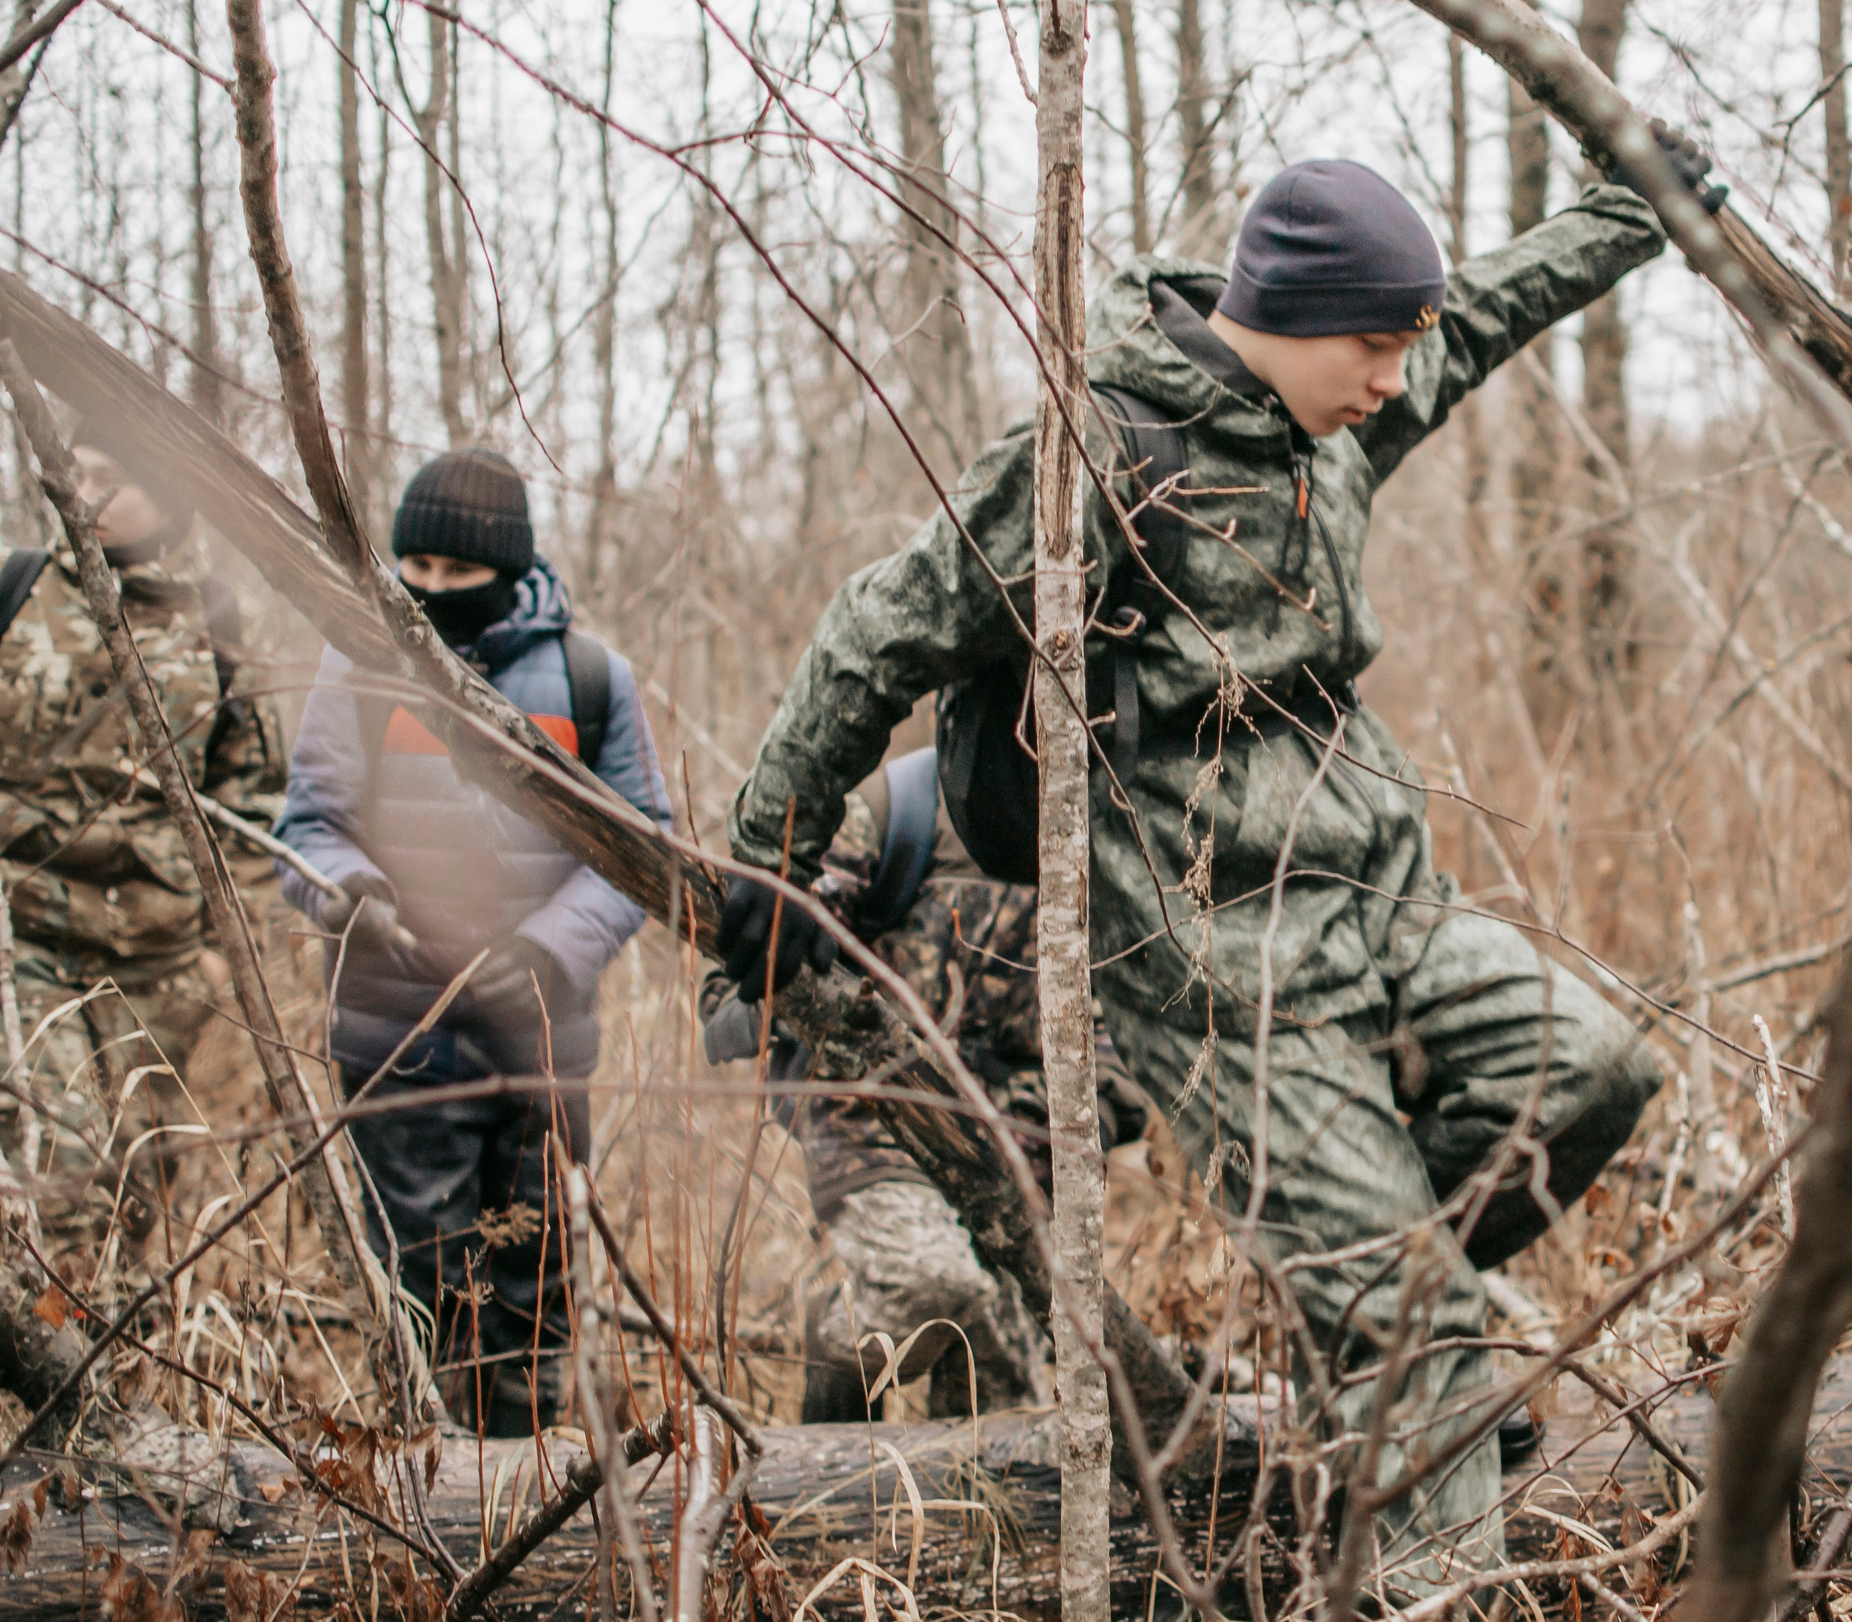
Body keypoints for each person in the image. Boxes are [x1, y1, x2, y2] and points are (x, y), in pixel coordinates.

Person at [712, 144, 1718, 1596]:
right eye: (1374, 344)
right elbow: (883, 625)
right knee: (1426, 1343)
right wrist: (775, 844)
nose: (1394, 376)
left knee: (1593, 1068)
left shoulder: (1336, 418)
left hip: (1378, 902)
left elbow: (1482, 314)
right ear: (1293, 314)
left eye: (1400, 347)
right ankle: (1397, 1400)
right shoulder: (1103, 456)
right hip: (1213, 965)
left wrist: (1630, 216)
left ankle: (1354, 1297)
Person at [274, 449, 670, 1436]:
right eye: (416, 568)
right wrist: (350, 896)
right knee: (423, 1295)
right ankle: (427, 1508)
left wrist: (546, 952)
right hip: (393, 1032)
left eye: (456, 571)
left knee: (536, 1293)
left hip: (540, 1035)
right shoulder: (357, 667)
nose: (432, 589)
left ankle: (526, 1499)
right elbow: (308, 826)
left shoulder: (590, 678)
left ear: (507, 565)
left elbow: (643, 855)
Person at [698, 747, 1152, 1422]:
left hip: (1020, 1160)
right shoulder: (893, 816)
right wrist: (795, 969)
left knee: (1006, 1416)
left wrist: (1041, 1126)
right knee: (931, 1283)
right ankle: (832, 1385)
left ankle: (940, 1523)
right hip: (875, 1127)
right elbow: (727, 997)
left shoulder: (1106, 839)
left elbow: (1123, 1049)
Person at [0, 443, 284, 1265]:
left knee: (136, 1191)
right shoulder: (18, 588)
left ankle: (119, 1366)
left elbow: (254, 810)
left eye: (104, 476)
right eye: (71, 473)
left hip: (159, 964)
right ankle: (49, 1365)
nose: (77, 493)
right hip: (27, 939)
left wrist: (219, 960)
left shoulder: (225, 624)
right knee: (62, 1168)